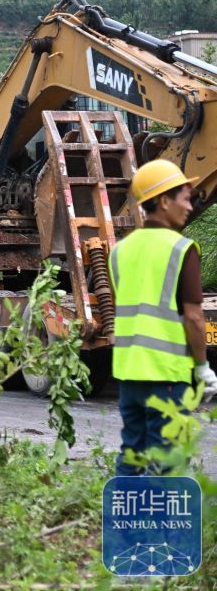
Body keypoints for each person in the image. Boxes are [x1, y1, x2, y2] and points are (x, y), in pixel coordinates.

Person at [109, 159, 217, 475]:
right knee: (166, 462)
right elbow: (194, 318)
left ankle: (127, 522)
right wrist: (202, 367)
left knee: (132, 453)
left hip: (129, 374)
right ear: (164, 200)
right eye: (184, 198)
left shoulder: (119, 251)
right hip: (167, 375)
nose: (189, 206)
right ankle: (160, 524)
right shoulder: (182, 249)